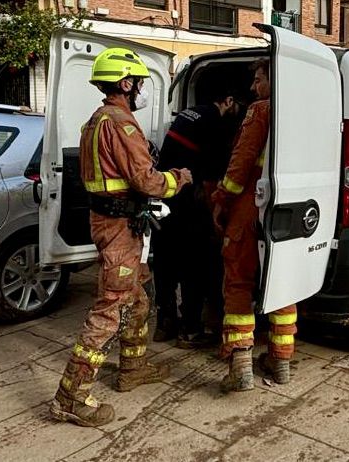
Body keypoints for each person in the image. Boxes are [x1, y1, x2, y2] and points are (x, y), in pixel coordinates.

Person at [50, 48, 192, 427]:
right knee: (108, 310)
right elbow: (148, 181)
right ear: (126, 84)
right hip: (118, 232)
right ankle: (71, 396)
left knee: (140, 298)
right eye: (141, 83)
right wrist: (179, 178)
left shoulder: (95, 121)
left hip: (113, 224)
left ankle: (133, 367)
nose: (143, 90)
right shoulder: (122, 125)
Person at [212, 59, 297, 392]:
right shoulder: (310, 112)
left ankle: (241, 365)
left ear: (273, 79)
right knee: (285, 284)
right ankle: (281, 361)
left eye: (259, 79)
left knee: (238, 283)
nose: (253, 87)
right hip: (292, 210)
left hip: (252, 208)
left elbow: (241, 163)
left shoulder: (261, 110)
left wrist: (221, 198)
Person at [152, 86, 242, 348]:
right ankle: (190, 331)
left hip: (167, 195)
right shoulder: (216, 122)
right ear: (228, 99)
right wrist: (218, 210)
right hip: (191, 200)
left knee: (166, 263)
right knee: (195, 264)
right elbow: (213, 175)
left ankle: (165, 323)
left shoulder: (186, 114)